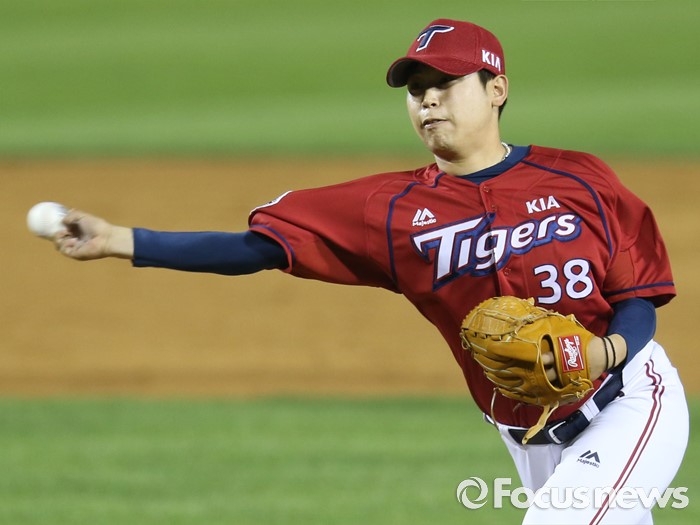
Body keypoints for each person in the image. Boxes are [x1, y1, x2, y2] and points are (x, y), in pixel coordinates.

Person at [53, 19, 687, 524]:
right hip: (528, 437)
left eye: (446, 82)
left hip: (629, 398)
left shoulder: (578, 178)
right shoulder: (389, 211)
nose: (428, 98)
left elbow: (637, 295)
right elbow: (256, 249)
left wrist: (605, 351)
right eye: (416, 89)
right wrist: (119, 240)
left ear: (497, 88)